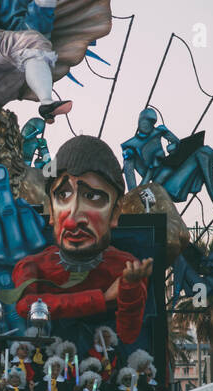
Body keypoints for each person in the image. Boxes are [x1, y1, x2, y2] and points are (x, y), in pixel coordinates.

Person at [11, 136, 152, 345]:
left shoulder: (126, 268)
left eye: (93, 197)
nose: (73, 220)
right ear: (50, 209)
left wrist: (130, 290)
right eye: (63, 195)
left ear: (115, 212)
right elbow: (26, 306)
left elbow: (129, 336)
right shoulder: (32, 266)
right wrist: (101, 299)